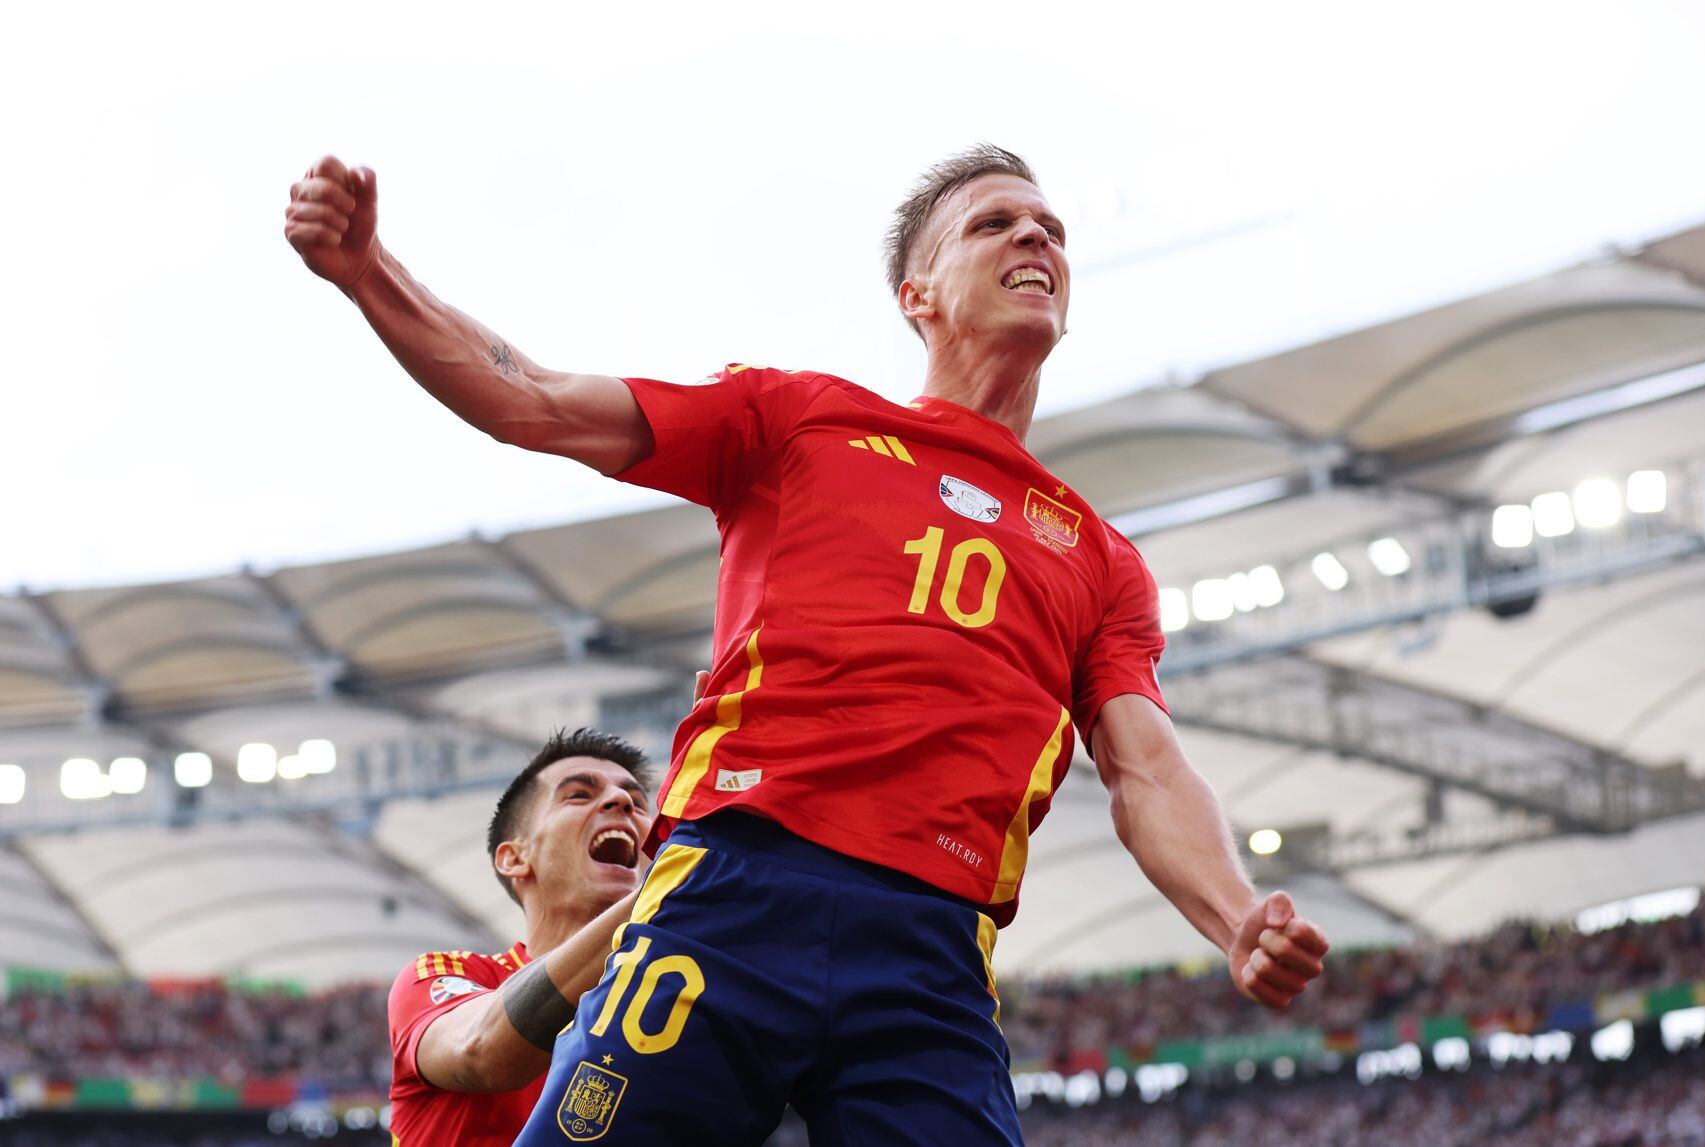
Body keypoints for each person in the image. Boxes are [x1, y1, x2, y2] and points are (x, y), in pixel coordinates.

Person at [287, 145, 1331, 1147]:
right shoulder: (796, 422)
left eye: (1052, 229)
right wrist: (370, 273)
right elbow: (537, 403)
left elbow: (1146, 766)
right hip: (735, 891)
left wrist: (1233, 915)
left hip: (930, 948)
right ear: (916, 292)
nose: (1037, 239)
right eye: (996, 223)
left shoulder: (1099, 559)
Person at [384, 728, 653, 1146]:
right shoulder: (445, 974)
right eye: (579, 794)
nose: (621, 803)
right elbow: (483, 1052)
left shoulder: (677, 998)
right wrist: (662, 895)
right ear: (515, 857)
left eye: (638, 803)